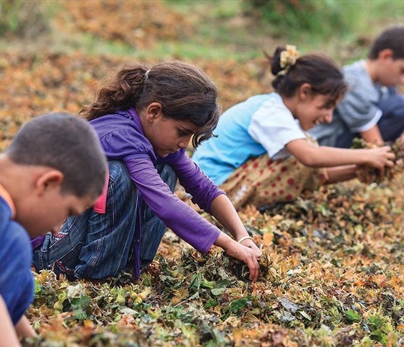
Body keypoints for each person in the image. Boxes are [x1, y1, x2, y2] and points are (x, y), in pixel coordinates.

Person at [32, 61, 263, 282]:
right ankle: (95, 275)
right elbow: (165, 203)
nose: (185, 144)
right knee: (117, 176)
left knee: (166, 169)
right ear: (154, 112)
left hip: (77, 243)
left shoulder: (156, 139)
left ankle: (129, 265)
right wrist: (228, 245)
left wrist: (242, 236)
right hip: (50, 251)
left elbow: (205, 190)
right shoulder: (121, 136)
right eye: (182, 132)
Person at [0, 113, 106, 347]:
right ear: (47, 183)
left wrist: (36, 346)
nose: (58, 229)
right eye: (67, 212)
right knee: (15, 247)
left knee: (14, 250)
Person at [192, 45, 395, 209]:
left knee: (303, 152)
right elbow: (310, 158)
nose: (328, 117)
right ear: (305, 92)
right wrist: (367, 155)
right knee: (301, 156)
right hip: (212, 189)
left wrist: (357, 169)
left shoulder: (276, 110)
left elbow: (313, 169)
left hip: (217, 183)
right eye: (325, 107)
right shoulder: (271, 112)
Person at [308, 26, 404, 159]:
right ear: (386, 56)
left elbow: (389, 136)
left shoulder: (380, 86)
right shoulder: (354, 83)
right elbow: (374, 141)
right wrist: (388, 163)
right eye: (402, 71)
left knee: (397, 106)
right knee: (401, 107)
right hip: (325, 145)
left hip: (347, 140)